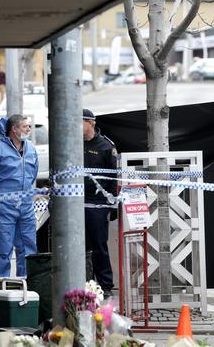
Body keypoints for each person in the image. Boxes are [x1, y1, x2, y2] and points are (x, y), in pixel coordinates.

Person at [0, 114, 38, 281]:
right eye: (25, 126)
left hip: (25, 207)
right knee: (1, 250)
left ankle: (28, 287)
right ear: (14, 129)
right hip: (1, 209)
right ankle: (0, 290)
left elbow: (32, 175)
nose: (29, 129)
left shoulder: (31, 149)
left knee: (28, 249)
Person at [82, 108, 118, 295]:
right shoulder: (73, 144)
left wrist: (112, 206)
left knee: (99, 245)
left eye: (80, 122)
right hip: (76, 201)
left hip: (97, 203)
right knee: (79, 245)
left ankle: (105, 285)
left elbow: (113, 178)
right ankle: (85, 283)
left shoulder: (105, 146)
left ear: (91, 123)